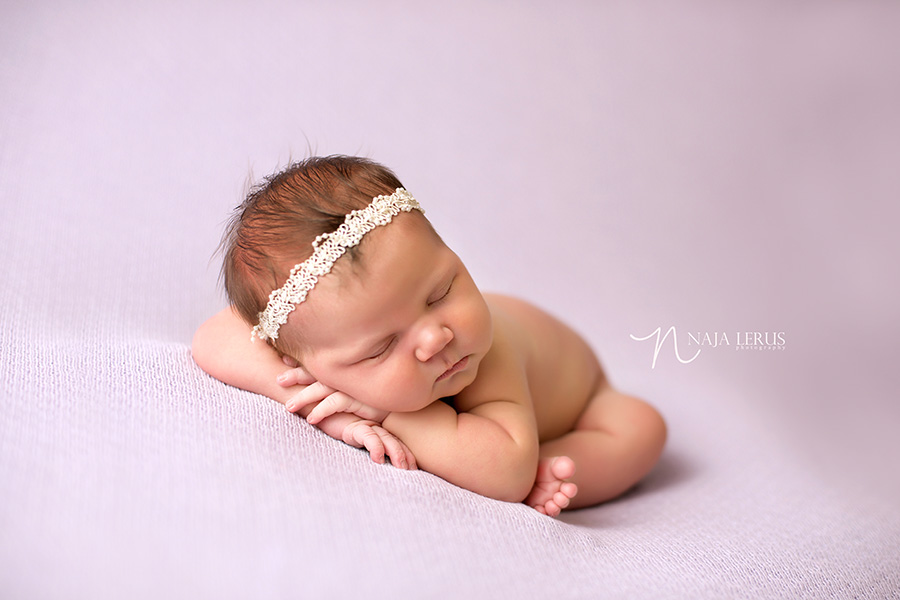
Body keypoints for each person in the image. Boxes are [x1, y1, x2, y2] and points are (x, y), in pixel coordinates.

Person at [192, 155, 667, 516]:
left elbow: (505, 475)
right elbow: (211, 338)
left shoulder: (487, 355)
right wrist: (318, 395)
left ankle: (553, 462)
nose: (436, 338)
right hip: (496, 434)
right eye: (381, 348)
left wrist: (389, 413)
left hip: (583, 399)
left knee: (641, 428)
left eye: (441, 292)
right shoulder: (315, 337)